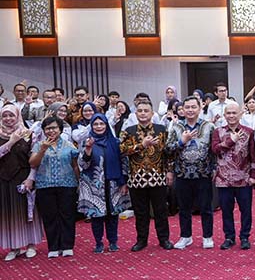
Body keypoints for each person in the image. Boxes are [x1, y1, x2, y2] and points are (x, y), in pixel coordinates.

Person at [119, 101, 173, 252]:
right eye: (140, 111)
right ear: (135, 114)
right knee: (140, 212)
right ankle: (141, 240)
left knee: (161, 211)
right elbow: (122, 150)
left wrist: (169, 170)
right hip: (137, 179)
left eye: (146, 111)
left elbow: (167, 152)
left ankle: (164, 239)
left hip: (158, 177)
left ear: (152, 113)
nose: (143, 113)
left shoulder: (161, 129)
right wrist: (141, 145)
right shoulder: (128, 131)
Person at [167, 96, 216, 250]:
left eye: (193, 107)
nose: (190, 110)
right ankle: (185, 236)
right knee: (184, 208)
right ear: (182, 109)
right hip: (182, 173)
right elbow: (168, 149)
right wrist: (182, 141)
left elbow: (213, 150)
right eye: (186, 107)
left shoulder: (209, 126)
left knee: (206, 207)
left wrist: (214, 168)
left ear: (200, 108)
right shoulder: (176, 126)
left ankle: (207, 236)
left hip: (203, 173)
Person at [78, 113, 131, 254]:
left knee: (113, 215)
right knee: (96, 215)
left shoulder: (116, 142)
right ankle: (98, 242)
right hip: (94, 186)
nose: (99, 126)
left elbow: (124, 163)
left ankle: (113, 242)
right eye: (95, 124)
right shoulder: (86, 142)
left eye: (102, 124)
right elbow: (82, 165)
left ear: (107, 125)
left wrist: (124, 181)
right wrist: (88, 149)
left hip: (114, 183)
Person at [211, 102, 255, 251]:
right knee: (226, 210)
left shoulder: (249, 132)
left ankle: (245, 236)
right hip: (223, 179)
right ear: (224, 115)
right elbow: (215, 150)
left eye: (234, 113)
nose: (231, 116)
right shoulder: (217, 132)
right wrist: (230, 140)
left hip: (244, 178)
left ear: (240, 114)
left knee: (246, 210)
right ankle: (229, 237)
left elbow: (254, 156)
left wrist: (254, 175)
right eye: (229, 113)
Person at [29, 116, 79, 258]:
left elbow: (75, 165)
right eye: (48, 128)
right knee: (50, 216)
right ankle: (53, 247)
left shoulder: (69, 145)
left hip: (67, 184)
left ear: (60, 129)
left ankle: (67, 245)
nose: (51, 131)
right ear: (44, 130)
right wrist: (42, 150)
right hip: (45, 186)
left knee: (67, 215)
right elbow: (33, 163)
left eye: (54, 128)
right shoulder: (39, 145)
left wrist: (79, 181)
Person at [0, 104, 41, 261]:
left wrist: (31, 177)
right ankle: (14, 247)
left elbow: (34, 158)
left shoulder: (28, 133)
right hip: (4, 178)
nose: (8, 119)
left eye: (11, 115)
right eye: (5, 116)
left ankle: (31, 245)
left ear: (17, 116)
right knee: (8, 212)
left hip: (24, 177)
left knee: (26, 211)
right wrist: (10, 142)